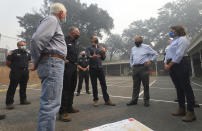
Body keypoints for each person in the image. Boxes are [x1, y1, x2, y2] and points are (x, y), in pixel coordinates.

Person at [30, 3, 67, 131]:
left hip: (53, 62)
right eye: (65, 14)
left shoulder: (52, 22)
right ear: (61, 13)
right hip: (53, 63)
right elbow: (36, 39)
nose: (65, 16)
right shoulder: (52, 19)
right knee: (50, 104)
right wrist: (35, 60)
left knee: (50, 103)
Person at [164, 25, 196, 122]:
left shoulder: (183, 39)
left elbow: (179, 54)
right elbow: (168, 54)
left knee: (186, 87)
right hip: (171, 65)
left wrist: (169, 65)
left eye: (172, 31)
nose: (171, 32)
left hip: (180, 63)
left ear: (178, 31)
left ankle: (191, 112)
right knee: (178, 87)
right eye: (170, 31)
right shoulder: (173, 41)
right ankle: (181, 109)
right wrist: (166, 63)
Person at [127, 35, 157, 107]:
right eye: (135, 41)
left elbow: (155, 54)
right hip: (135, 68)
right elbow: (131, 58)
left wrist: (151, 61)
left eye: (137, 41)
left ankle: (146, 101)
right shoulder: (133, 49)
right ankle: (134, 100)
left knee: (145, 85)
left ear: (141, 40)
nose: (136, 42)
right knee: (135, 85)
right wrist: (131, 65)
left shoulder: (146, 47)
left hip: (144, 67)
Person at [86, 35, 116, 107]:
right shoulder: (88, 48)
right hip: (92, 68)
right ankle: (95, 100)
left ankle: (107, 100)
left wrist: (104, 52)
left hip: (100, 68)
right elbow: (88, 56)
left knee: (104, 85)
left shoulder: (100, 48)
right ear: (92, 40)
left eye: (97, 38)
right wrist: (92, 56)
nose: (96, 39)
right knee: (94, 85)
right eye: (95, 38)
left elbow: (103, 58)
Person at [58, 27, 80, 122]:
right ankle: (62, 112)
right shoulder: (64, 40)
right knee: (66, 89)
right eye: (77, 32)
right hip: (67, 67)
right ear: (72, 32)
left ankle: (69, 107)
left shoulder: (75, 42)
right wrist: (63, 59)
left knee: (72, 88)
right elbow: (58, 50)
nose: (79, 34)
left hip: (74, 67)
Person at [5, 41, 31, 110]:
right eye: (22, 45)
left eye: (24, 45)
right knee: (12, 87)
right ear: (18, 46)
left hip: (25, 72)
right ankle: (9, 103)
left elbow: (28, 61)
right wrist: (14, 68)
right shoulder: (13, 52)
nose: (23, 46)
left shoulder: (27, 53)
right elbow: (8, 62)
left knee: (23, 86)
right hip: (16, 72)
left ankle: (23, 100)